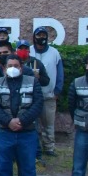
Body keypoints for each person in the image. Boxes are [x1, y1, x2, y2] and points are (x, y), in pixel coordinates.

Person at [0, 53, 44, 176]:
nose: (13, 69)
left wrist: (21, 121)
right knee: (3, 167)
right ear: (4, 68)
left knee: (28, 168)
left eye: (16, 66)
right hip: (5, 132)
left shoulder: (32, 81)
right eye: (10, 66)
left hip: (27, 132)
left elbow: (37, 103)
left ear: (22, 67)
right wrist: (8, 121)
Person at [30, 27, 64, 157]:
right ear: (34, 36)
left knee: (48, 124)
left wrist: (57, 91)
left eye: (44, 35)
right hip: (31, 95)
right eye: (39, 35)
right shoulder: (29, 51)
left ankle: (49, 147)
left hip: (48, 95)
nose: (41, 37)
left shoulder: (54, 52)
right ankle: (34, 148)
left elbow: (60, 73)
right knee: (32, 124)